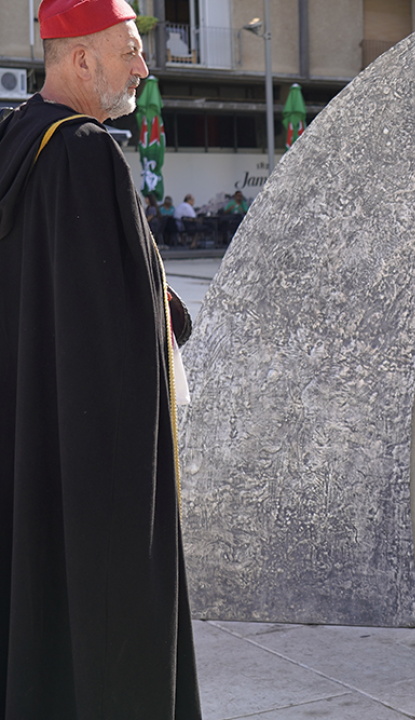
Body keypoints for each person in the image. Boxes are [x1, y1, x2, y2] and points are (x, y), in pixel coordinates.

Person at [0, 1, 202, 717]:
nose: (142, 70)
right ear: (81, 60)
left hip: (31, 426)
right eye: (129, 51)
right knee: (103, 607)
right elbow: (112, 329)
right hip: (90, 459)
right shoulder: (86, 154)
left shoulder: (18, 135)